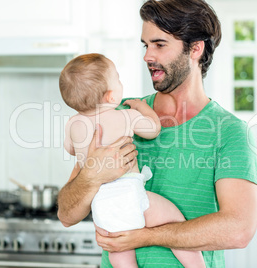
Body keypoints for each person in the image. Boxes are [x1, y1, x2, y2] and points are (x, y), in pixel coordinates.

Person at [57, 0, 257, 267]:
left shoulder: (229, 132)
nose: (147, 56)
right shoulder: (116, 114)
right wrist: (92, 176)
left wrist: (143, 237)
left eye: (159, 44)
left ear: (195, 48)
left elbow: (238, 229)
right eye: (146, 45)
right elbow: (67, 214)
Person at [59, 53, 206, 268]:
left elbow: (70, 148)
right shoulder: (124, 116)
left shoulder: (73, 123)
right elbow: (153, 129)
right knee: (174, 220)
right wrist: (141, 108)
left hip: (101, 204)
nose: (121, 82)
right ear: (110, 96)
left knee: (118, 252)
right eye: (117, 79)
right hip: (130, 194)